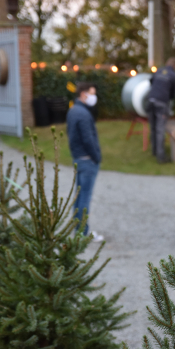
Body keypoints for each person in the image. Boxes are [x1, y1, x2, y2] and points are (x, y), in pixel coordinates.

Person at [66, 82, 104, 243]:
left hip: (78, 158)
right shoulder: (82, 114)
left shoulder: (74, 110)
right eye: (92, 93)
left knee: (79, 195)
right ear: (83, 94)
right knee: (84, 198)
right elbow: (88, 139)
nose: (93, 97)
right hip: (87, 160)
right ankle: (83, 232)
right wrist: (97, 157)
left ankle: (78, 229)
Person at [147, 57, 175, 163]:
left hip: (151, 100)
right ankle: (161, 157)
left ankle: (154, 151)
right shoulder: (174, 76)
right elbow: (173, 94)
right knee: (160, 129)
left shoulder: (159, 70)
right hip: (161, 103)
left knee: (153, 127)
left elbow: (151, 81)